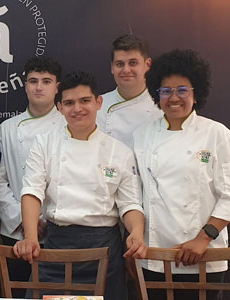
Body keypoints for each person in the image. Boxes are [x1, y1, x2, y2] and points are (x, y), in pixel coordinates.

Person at [14, 71, 146, 300]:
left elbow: (130, 203)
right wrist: (31, 237)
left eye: (85, 101)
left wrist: (136, 232)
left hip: (104, 250)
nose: (77, 109)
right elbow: (32, 191)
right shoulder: (45, 144)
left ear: (98, 102)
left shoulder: (119, 152)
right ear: (60, 107)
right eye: (69, 103)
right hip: (57, 247)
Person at [133, 49, 230, 300]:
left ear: (196, 94)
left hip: (205, 254)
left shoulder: (217, 134)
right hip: (156, 255)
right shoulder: (142, 136)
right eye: (166, 91)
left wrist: (203, 239)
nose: (174, 97)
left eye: (182, 90)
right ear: (156, 94)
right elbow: (136, 194)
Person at [0, 57, 64, 298]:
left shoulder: (68, 126)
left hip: (56, 231)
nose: (39, 87)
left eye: (46, 81)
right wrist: (25, 219)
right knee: (17, 293)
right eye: (33, 81)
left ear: (57, 87)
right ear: (25, 85)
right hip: (16, 232)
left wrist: (45, 220)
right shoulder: (7, 129)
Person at [96, 34, 162, 149]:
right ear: (112, 68)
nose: (126, 70)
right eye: (120, 64)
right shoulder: (96, 105)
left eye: (133, 63)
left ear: (148, 65)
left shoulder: (162, 107)